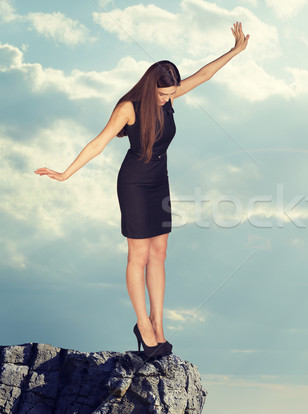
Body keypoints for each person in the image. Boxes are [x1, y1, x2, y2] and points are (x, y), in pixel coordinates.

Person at [34, 22, 249, 359]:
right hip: (134, 182)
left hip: (159, 180)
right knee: (139, 256)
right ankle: (143, 326)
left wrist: (235, 51)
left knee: (159, 254)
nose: (168, 98)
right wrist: (64, 174)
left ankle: (158, 324)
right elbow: (98, 144)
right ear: (152, 87)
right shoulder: (128, 108)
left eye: (171, 93)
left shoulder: (171, 93)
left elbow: (204, 75)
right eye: (164, 94)